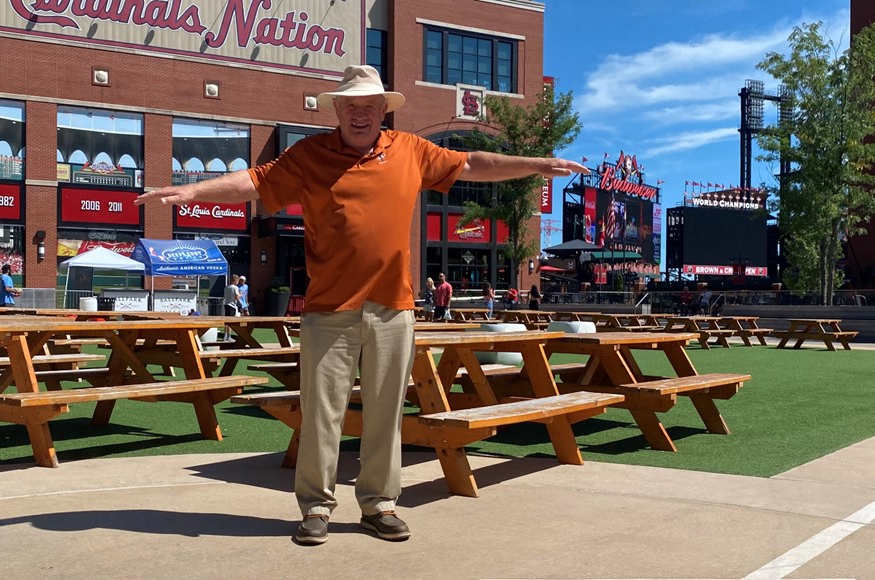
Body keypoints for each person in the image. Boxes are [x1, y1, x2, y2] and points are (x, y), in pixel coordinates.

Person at [134, 64, 588, 546]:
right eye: (351, 106)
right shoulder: (309, 155)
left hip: (394, 307)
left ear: (382, 111)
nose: (360, 114)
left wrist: (537, 165)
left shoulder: (411, 151)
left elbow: (472, 162)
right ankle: (315, 506)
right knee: (321, 413)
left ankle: (380, 504)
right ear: (337, 110)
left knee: (386, 412)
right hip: (328, 310)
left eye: (369, 106)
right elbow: (256, 181)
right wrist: (192, 191)